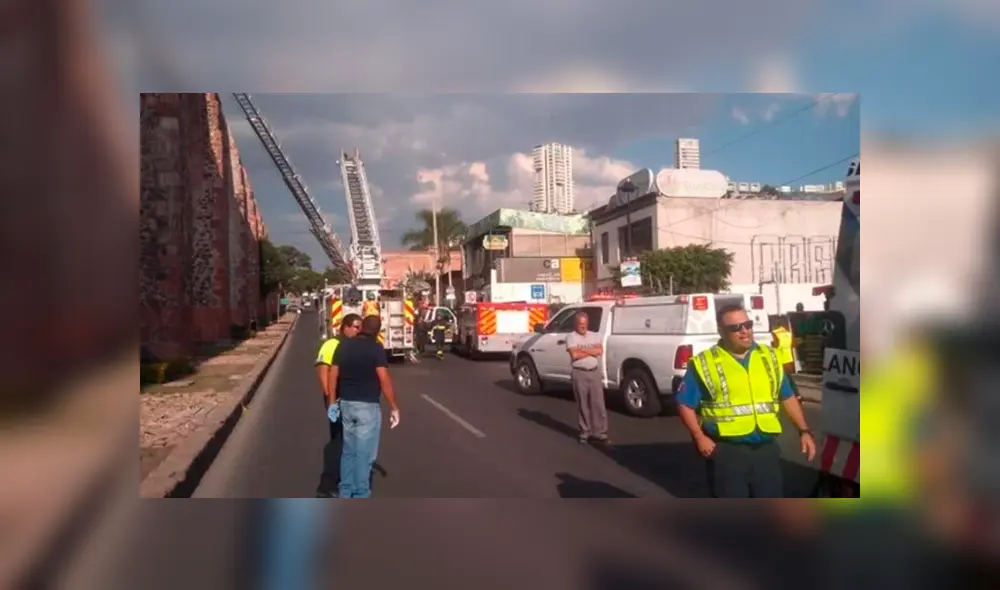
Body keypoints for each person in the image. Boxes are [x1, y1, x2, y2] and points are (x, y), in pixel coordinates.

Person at [676, 303, 817, 498]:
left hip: (765, 450)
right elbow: (684, 403)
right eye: (736, 328)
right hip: (727, 452)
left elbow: (787, 396)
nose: (744, 331)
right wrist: (700, 437)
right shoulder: (704, 363)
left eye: (748, 325)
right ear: (722, 332)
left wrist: (804, 430)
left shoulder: (769, 357)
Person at [326, 314, 401, 498]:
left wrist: (332, 403)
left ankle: (345, 491)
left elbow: (333, 375)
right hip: (367, 406)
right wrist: (394, 407)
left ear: (361, 328)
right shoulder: (376, 348)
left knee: (348, 451)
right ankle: (360, 493)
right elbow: (384, 379)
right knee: (363, 454)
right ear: (377, 331)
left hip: (346, 404)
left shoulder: (343, 345)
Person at [313, 313, 362, 497]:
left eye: (360, 328)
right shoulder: (331, 344)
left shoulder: (353, 345)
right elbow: (323, 371)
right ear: (345, 327)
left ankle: (343, 478)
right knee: (339, 441)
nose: (358, 331)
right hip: (337, 400)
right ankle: (327, 485)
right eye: (356, 327)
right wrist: (331, 400)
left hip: (351, 399)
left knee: (348, 441)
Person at [565, 311, 610, 445]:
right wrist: (591, 352)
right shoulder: (571, 337)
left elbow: (599, 351)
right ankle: (585, 432)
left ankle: (600, 433)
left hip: (594, 372)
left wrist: (582, 350)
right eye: (580, 324)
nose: (583, 326)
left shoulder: (595, 336)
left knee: (598, 404)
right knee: (583, 404)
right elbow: (574, 355)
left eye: (585, 324)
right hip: (579, 373)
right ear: (576, 324)